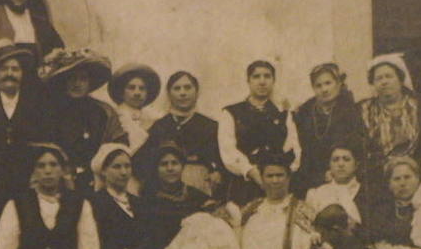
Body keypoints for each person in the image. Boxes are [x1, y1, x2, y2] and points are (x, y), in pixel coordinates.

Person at [0, 38, 48, 230]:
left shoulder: (37, 107)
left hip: (27, 189)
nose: (9, 74)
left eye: (15, 69)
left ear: (22, 74)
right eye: (4, 69)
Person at [39, 47, 128, 192]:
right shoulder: (50, 112)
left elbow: (118, 146)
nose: (77, 84)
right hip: (59, 183)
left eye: (83, 79)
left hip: (97, 182)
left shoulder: (104, 112)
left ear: (90, 82)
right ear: (64, 82)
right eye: (72, 78)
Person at [219, 60, 302, 207]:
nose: (262, 82)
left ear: (273, 80)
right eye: (256, 77)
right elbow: (228, 151)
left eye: (267, 76)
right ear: (248, 81)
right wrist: (252, 172)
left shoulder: (283, 113)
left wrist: (279, 175)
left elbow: (293, 146)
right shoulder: (231, 113)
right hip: (244, 185)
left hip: (277, 184)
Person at [134, 70, 222, 198]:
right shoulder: (160, 126)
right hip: (166, 190)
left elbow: (223, 160)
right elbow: (141, 161)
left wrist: (218, 172)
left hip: (202, 186)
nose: (182, 93)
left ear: (197, 92)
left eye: (187, 88)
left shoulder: (211, 126)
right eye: (177, 88)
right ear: (169, 94)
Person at [293, 63, 365, 194]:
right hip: (314, 174)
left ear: (337, 83)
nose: (324, 89)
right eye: (318, 85)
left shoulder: (350, 110)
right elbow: (304, 149)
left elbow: (357, 145)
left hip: (343, 171)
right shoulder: (306, 112)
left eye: (328, 83)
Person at [357, 54, 421, 191]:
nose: (384, 82)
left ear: (400, 79)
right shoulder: (363, 110)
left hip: (417, 175)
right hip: (378, 179)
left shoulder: (420, 107)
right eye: (379, 78)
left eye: (389, 76)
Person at [109, 63, 162, 161]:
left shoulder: (154, 119)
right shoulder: (115, 117)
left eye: (142, 89)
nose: (137, 93)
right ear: (122, 92)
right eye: (131, 88)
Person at [304, 143, 365, 226]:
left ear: (356, 165)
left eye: (346, 159)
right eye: (335, 160)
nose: (340, 164)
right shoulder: (317, 194)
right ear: (329, 165)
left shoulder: (368, 193)